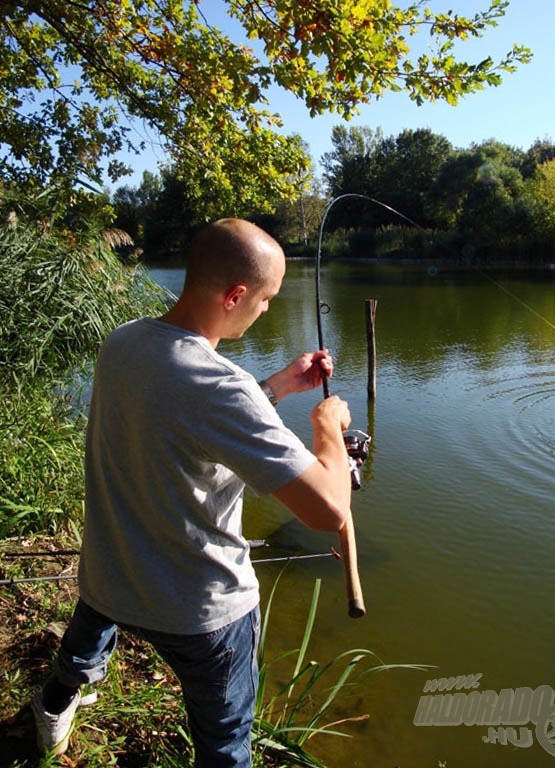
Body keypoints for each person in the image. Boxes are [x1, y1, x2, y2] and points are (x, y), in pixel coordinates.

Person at [31, 218, 353, 766]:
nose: (269, 309)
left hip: (111, 576)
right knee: (224, 746)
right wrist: (327, 426)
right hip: (204, 613)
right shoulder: (220, 387)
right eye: (269, 298)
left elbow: (187, 412)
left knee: (80, 652)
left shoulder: (123, 341)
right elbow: (328, 509)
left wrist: (278, 386)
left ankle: (53, 705)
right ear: (236, 295)